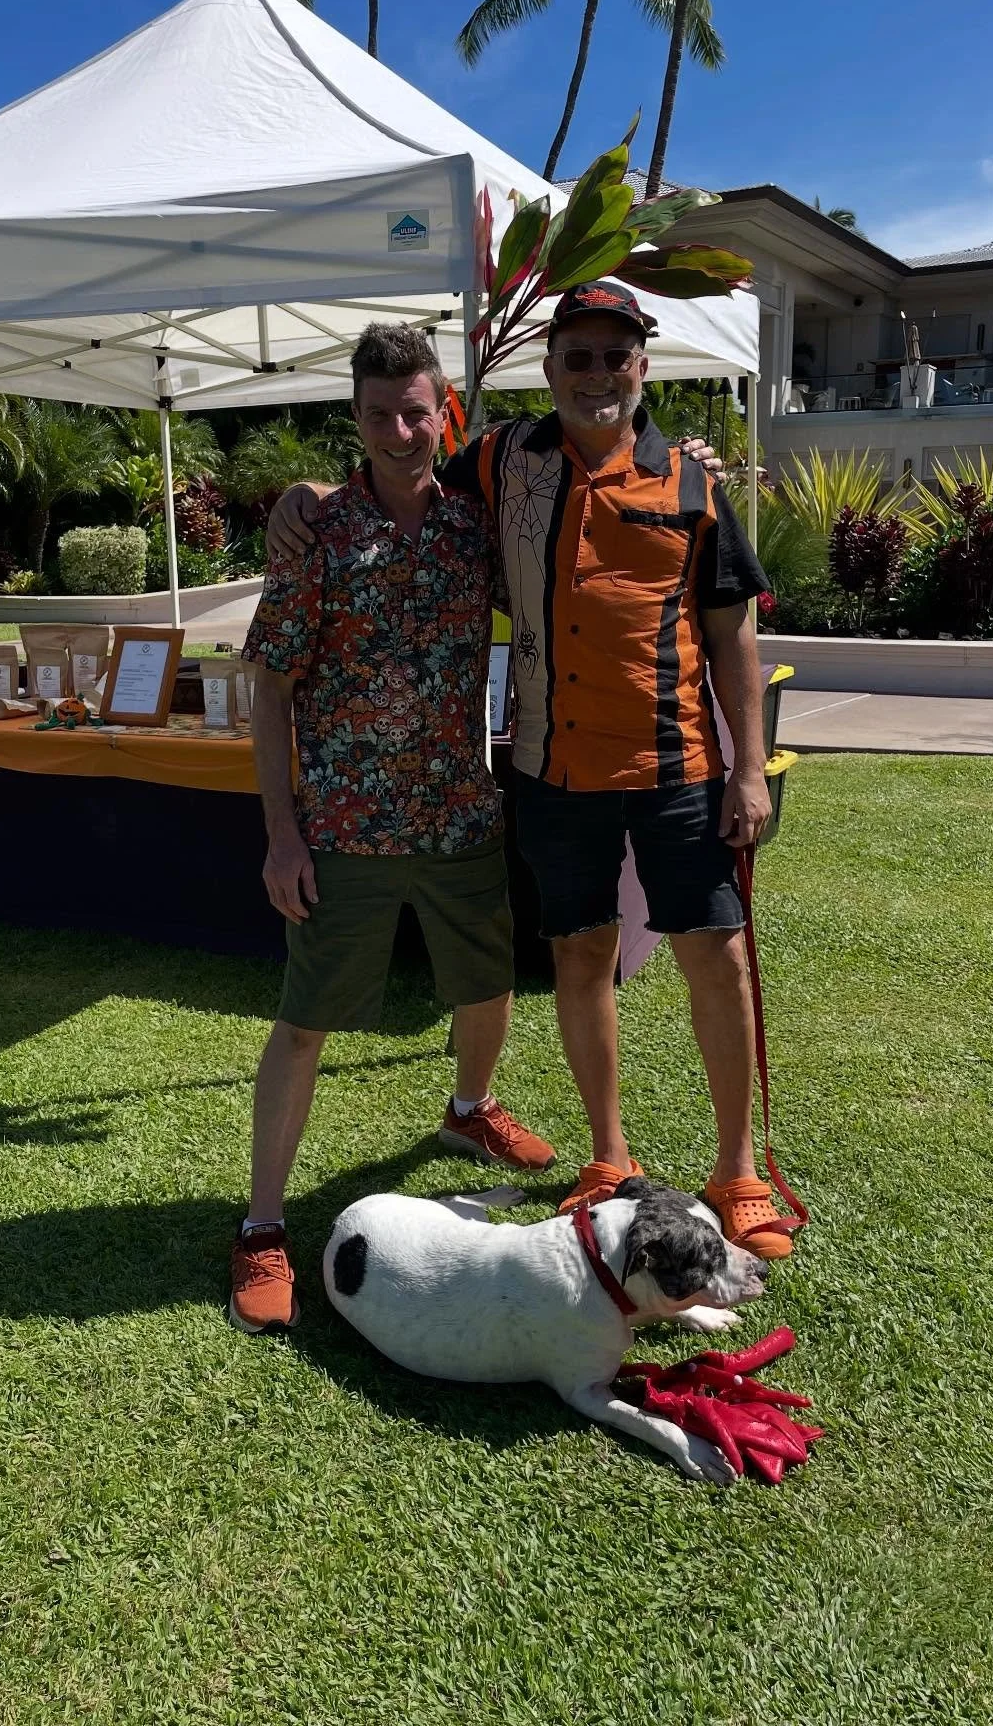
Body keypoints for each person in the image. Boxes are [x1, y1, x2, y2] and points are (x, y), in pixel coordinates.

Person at [269, 283, 795, 1260]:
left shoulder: (692, 480)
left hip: (681, 766)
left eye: (616, 356)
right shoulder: (505, 460)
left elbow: (734, 638)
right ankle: (609, 1155)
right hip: (554, 773)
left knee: (712, 957)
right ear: (549, 368)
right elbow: (400, 457)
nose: (598, 374)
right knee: (579, 959)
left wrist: (750, 769)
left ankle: (738, 1171)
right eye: (578, 357)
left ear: (644, 366)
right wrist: (305, 501)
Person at [230, 322, 555, 1334]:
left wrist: (695, 467)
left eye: (417, 411)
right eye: (380, 416)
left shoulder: (472, 526)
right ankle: (261, 1225)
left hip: (461, 812)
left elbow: (565, 549)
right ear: (356, 419)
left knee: (487, 983)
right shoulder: (318, 534)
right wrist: (282, 834)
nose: (402, 431)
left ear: (443, 404)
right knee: (307, 1019)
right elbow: (271, 688)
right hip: (345, 828)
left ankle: (468, 1111)